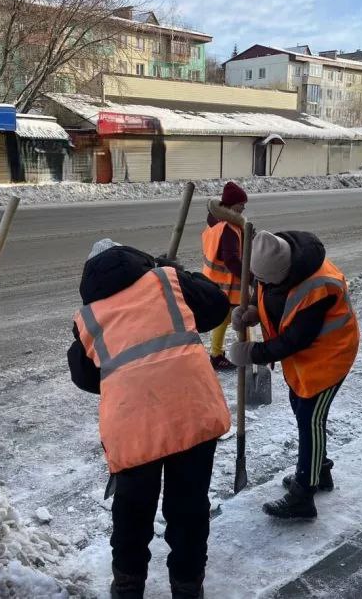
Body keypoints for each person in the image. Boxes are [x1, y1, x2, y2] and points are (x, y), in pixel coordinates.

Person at [67, 239, 231, 599]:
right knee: (188, 505)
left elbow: (84, 377)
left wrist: (127, 375)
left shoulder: (89, 316)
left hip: (133, 425)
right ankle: (187, 586)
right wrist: (176, 271)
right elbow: (217, 307)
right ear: (135, 258)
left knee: (133, 505)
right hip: (192, 410)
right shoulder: (167, 280)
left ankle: (127, 584)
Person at [228, 230, 359, 520]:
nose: (261, 284)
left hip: (330, 356)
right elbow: (270, 300)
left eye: (266, 281)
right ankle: (318, 471)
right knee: (301, 410)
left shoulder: (316, 288)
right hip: (305, 359)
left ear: (284, 275)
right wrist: (252, 311)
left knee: (310, 418)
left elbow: (294, 340)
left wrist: (253, 353)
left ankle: (304, 495)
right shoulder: (273, 267)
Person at [202, 181, 248, 370]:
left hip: (213, 279)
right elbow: (231, 260)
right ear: (231, 204)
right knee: (226, 318)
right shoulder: (229, 228)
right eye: (241, 204)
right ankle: (216, 355)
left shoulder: (216, 222)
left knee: (224, 318)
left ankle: (216, 353)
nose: (244, 207)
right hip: (225, 283)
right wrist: (249, 277)